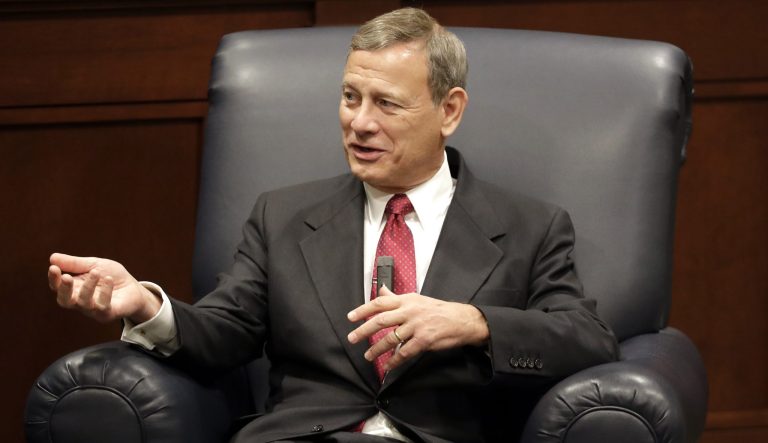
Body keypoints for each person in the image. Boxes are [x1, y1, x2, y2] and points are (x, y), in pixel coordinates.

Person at [47, 7, 618, 443]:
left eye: (386, 105)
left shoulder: (529, 226)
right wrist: (146, 305)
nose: (359, 124)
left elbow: (588, 340)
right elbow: (225, 330)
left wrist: (473, 323)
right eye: (350, 98)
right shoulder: (283, 216)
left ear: (449, 110)